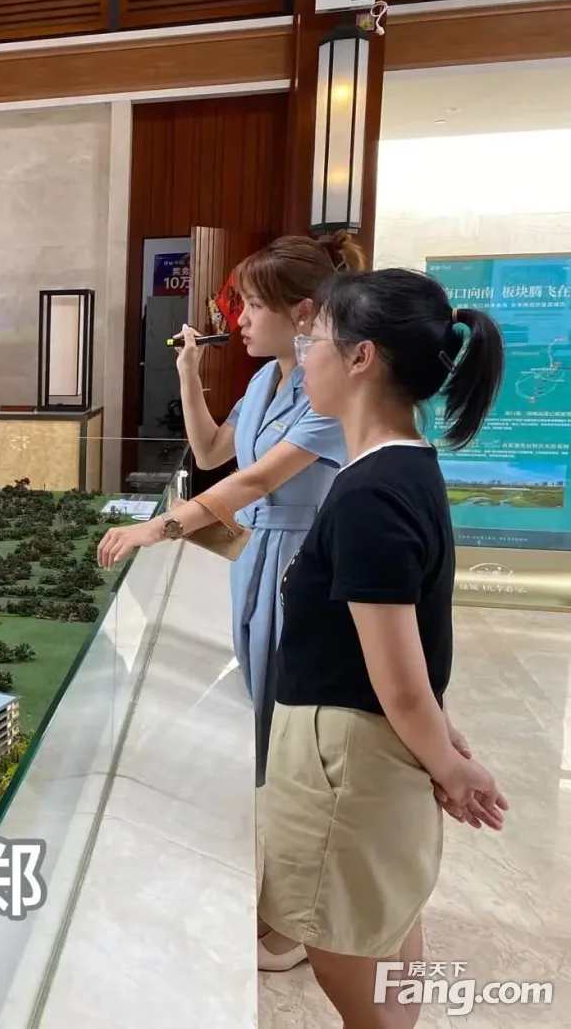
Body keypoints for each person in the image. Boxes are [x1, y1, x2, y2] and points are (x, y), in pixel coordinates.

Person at [98, 233, 362, 971]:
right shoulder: (268, 380)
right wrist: (189, 373)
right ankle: (285, 902)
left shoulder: (328, 393)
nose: (238, 319)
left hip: (306, 566)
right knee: (269, 735)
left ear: (303, 312)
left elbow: (254, 481)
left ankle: (298, 920)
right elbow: (215, 452)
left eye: (250, 306)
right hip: (259, 562)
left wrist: (159, 526)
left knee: (300, 751)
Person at [260, 268, 508, 1027]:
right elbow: (418, 640)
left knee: (340, 941)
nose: (305, 355)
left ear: (362, 357)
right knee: (386, 925)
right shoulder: (404, 467)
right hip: (369, 749)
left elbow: (397, 675)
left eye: (316, 339)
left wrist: (451, 768)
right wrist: (440, 738)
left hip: (347, 758)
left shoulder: (372, 492)